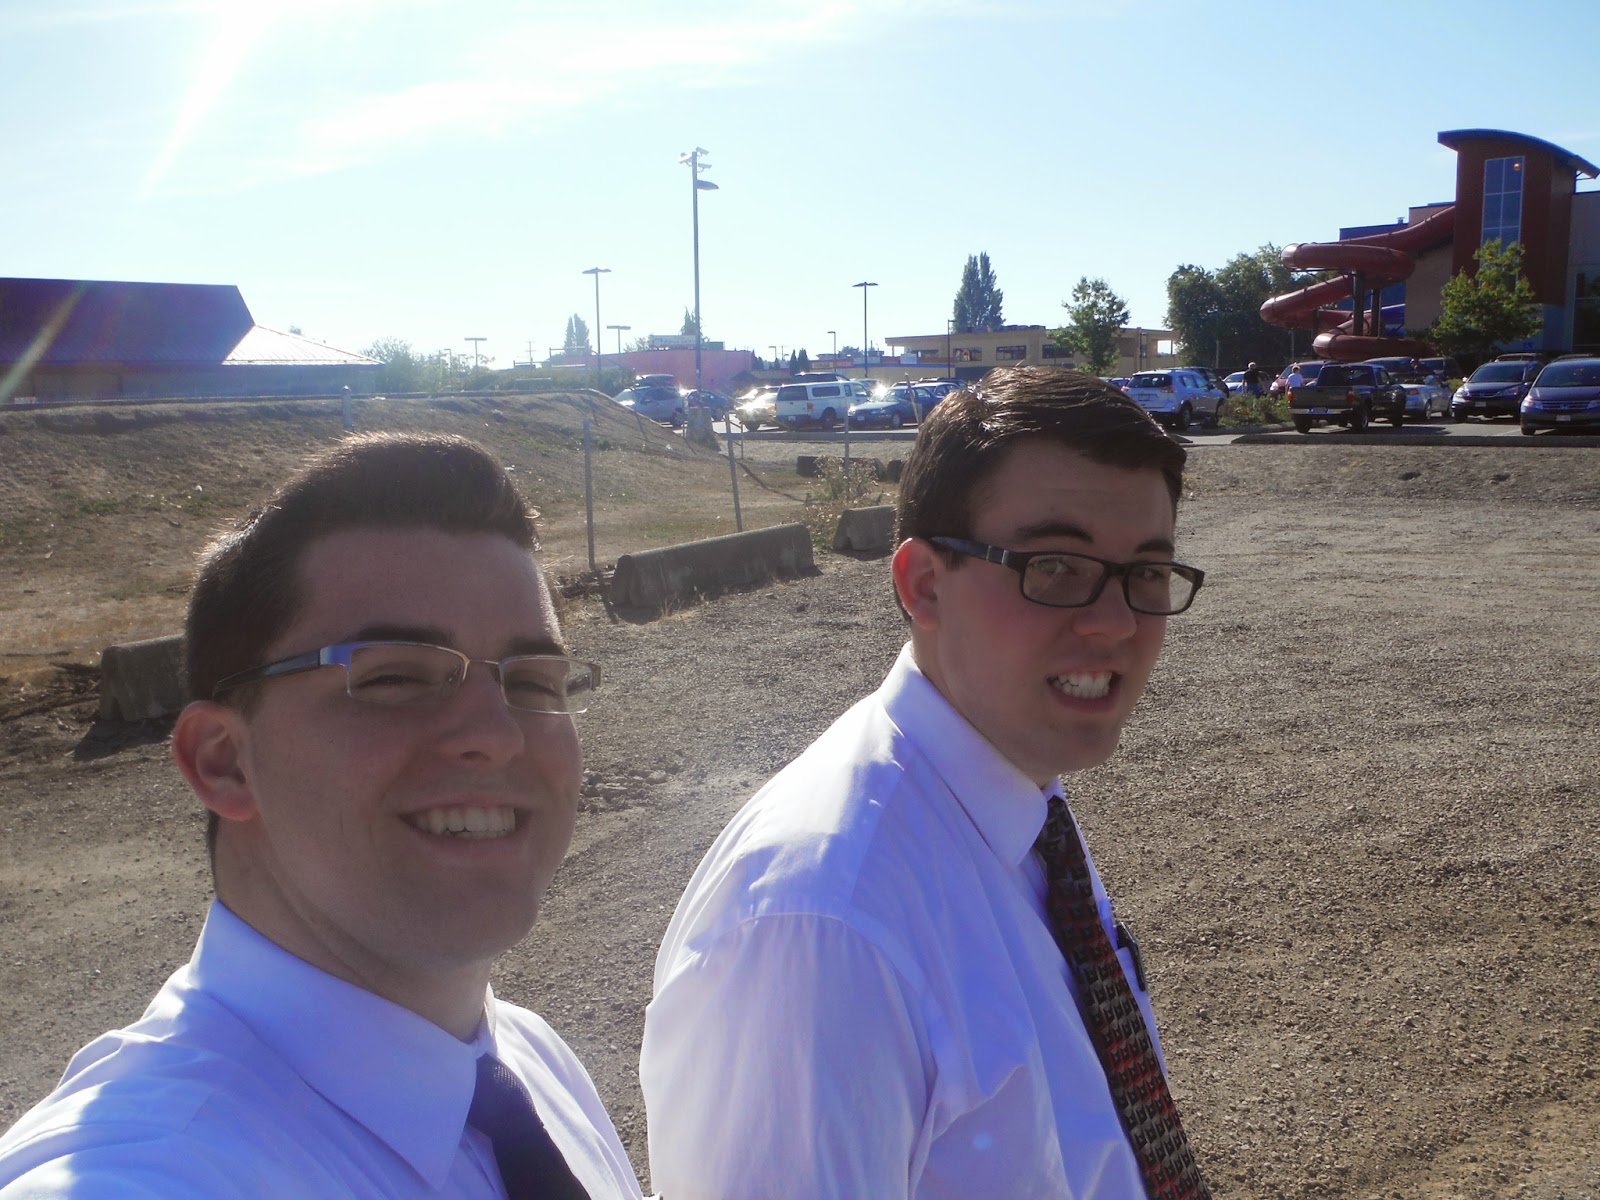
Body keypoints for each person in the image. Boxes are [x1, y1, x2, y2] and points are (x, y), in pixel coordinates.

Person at [0, 434, 644, 1199]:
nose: (497, 735)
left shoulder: (530, 1064)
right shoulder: (146, 1172)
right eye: (395, 677)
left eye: (533, 681)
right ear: (224, 761)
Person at [640, 367, 1213, 1199]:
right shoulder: (826, 925)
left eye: (1147, 573)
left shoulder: (1009, 799)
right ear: (924, 586)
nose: (1116, 623)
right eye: (1056, 566)